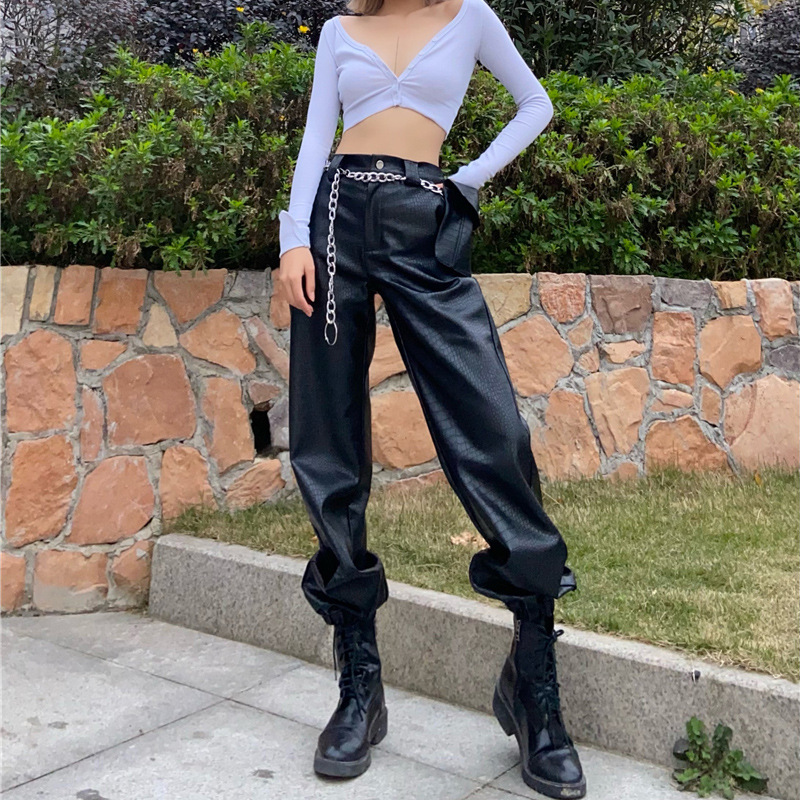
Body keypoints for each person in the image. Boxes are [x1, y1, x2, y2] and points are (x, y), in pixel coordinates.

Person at [278, 0, 585, 796]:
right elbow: (316, 137)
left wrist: (468, 179)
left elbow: (536, 104)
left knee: (494, 432)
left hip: (426, 217)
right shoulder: (341, 31)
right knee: (327, 445)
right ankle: (359, 685)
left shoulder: (470, 14)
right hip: (335, 223)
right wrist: (292, 238)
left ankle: (533, 684)